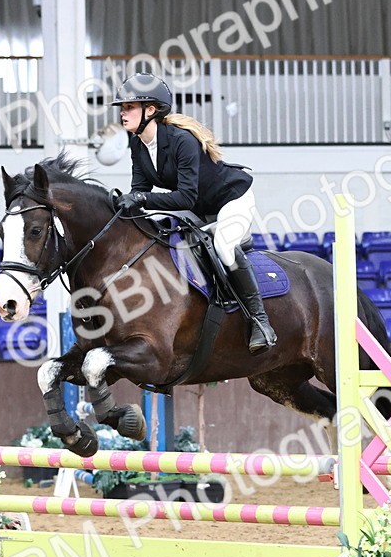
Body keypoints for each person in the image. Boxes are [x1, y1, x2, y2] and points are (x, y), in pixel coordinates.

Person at [111, 72, 276, 354]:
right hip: (199, 210)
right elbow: (139, 191)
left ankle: (260, 321)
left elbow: (184, 196)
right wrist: (121, 207)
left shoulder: (182, 140)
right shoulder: (137, 144)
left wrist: (141, 198)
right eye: (122, 108)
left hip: (231, 201)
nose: (122, 113)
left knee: (224, 247)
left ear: (150, 110)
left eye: (129, 107)